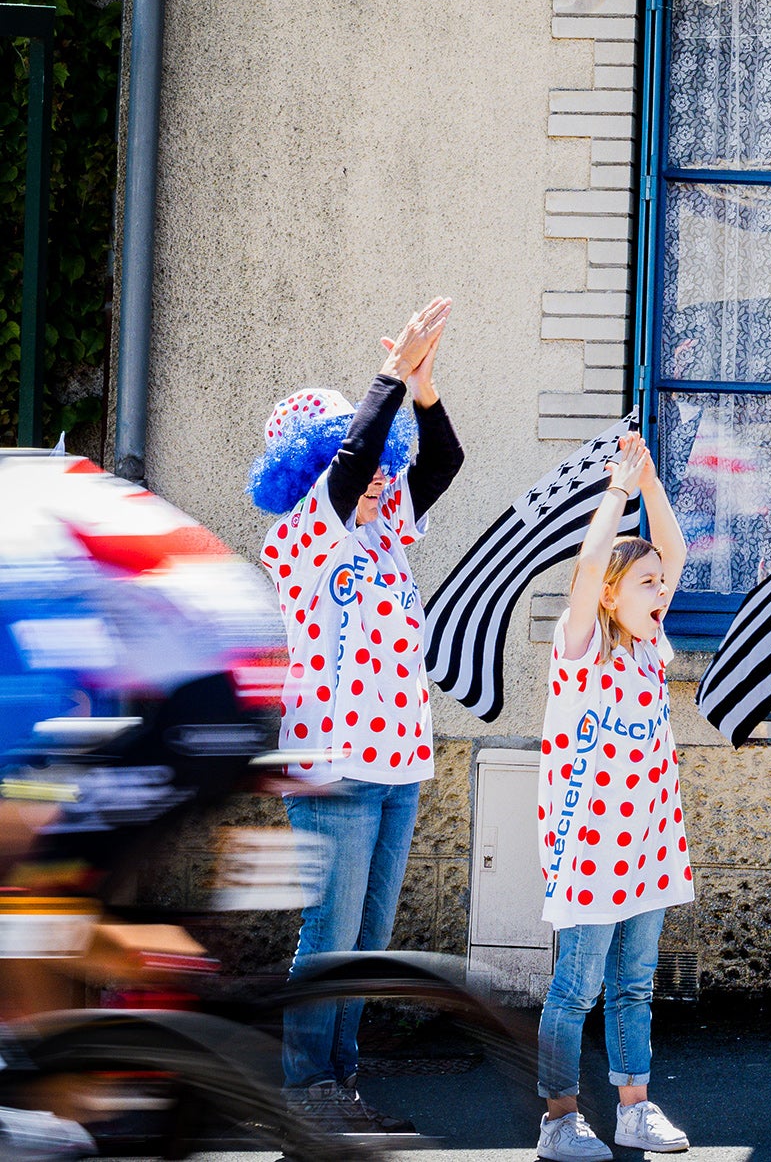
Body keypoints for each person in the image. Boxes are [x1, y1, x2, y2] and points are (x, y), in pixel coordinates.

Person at [252, 297, 462, 1133]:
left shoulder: (383, 534)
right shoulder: (303, 536)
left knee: (365, 946)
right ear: (312, 468)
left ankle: (341, 1086)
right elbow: (352, 464)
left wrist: (424, 388)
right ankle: (306, 1092)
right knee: (329, 938)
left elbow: (440, 462)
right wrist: (383, 379)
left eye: (387, 466)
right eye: (372, 466)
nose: (385, 478)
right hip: (333, 768)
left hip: (401, 763)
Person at [532, 431, 694, 1162]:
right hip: (590, 849)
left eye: (661, 585)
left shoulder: (650, 648)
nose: (661, 592)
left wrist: (654, 484)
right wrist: (617, 492)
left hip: (652, 843)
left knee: (635, 987)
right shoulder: (582, 650)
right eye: (646, 584)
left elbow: (677, 551)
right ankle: (559, 1118)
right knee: (576, 990)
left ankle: (634, 1106)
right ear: (608, 596)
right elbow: (588, 567)